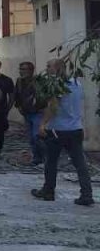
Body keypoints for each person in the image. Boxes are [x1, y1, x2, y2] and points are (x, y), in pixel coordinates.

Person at [32, 59, 94, 206]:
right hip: (75, 129)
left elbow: (52, 107)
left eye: (48, 66)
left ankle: (48, 191)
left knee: (51, 162)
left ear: (57, 68)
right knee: (80, 163)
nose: (46, 69)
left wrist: (42, 124)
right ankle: (87, 194)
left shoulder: (57, 85)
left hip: (57, 130)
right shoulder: (77, 83)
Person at [14, 61, 45, 166]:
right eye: (20, 69)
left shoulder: (39, 81)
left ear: (31, 70)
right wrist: (18, 106)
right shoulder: (19, 81)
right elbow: (17, 95)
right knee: (31, 138)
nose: (21, 72)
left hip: (37, 113)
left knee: (37, 136)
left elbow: (43, 96)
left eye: (24, 69)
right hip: (27, 113)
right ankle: (37, 158)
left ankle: (44, 157)